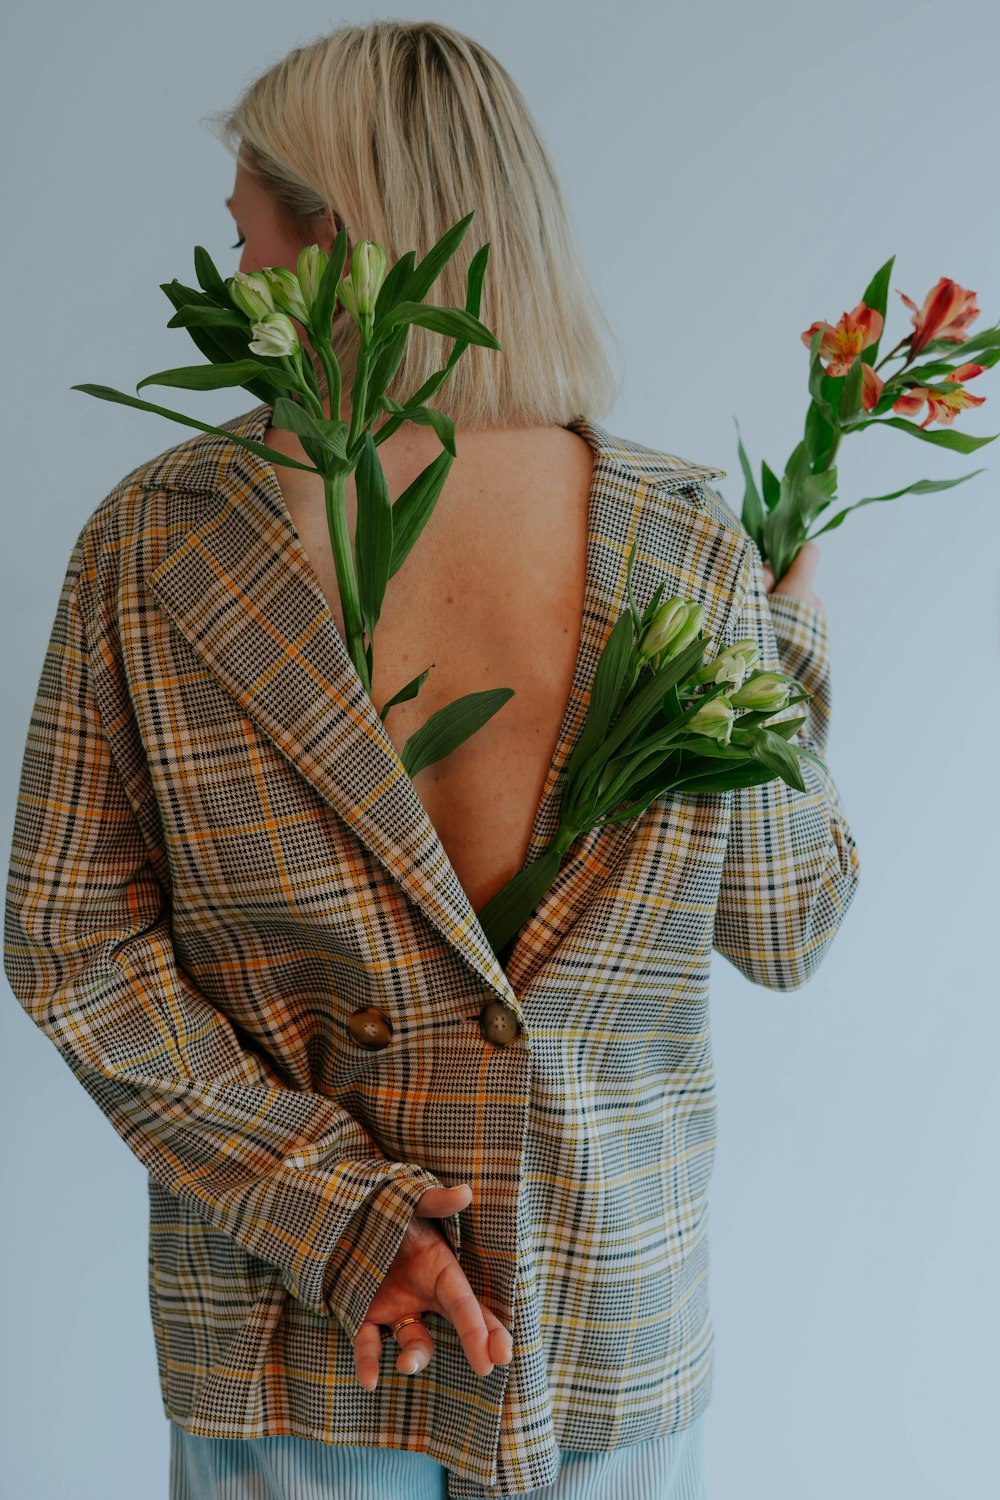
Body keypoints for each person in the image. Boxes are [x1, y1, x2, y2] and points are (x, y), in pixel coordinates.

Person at [3, 19, 861, 1500]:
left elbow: (69, 939)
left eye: (247, 237)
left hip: (307, 1331)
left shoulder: (163, 541)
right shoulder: (691, 539)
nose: (240, 278)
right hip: (606, 1330)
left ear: (332, 237)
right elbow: (788, 925)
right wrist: (790, 647)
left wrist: (335, 1212)